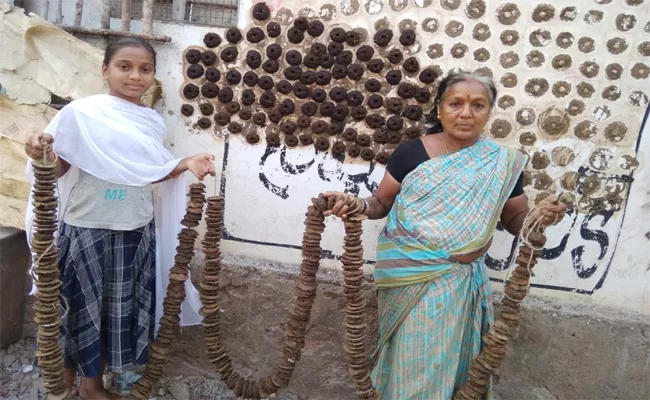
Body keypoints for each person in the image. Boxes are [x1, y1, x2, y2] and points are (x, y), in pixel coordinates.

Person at [324, 72, 567, 399]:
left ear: (489, 112)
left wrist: (538, 217)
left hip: (463, 282)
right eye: (456, 103)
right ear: (439, 109)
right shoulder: (411, 153)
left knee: (453, 369)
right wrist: (354, 204)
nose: (466, 113)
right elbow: (381, 202)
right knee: (414, 363)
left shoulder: (503, 163)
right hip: (409, 276)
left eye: (478, 105)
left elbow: (514, 219)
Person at [24, 38, 215, 400]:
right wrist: (40, 150)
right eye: (124, 66)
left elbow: (149, 170)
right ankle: (64, 386)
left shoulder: (150, 121)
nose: (135, 76)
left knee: (116, 310)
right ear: (105, 70)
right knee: (78, 308)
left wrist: (186, 163)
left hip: (134, 231)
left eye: (145, 69)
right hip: (87, 231)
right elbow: (59, 167)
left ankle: (92, 387)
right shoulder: (80, 113)